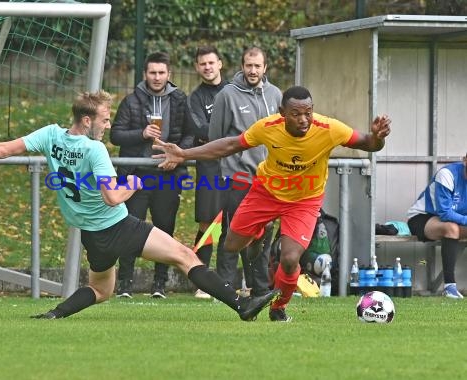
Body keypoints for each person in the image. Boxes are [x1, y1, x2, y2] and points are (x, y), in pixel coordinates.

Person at [0, 90, 278, 321]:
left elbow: (3, 149)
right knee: (187, 255)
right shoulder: (95, 151)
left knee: (100, 290)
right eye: (106, 119)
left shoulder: (50, 136)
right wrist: (135, 182)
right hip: (117, 226)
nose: (110, 124)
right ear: (88, 120)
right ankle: (241, 305)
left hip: (91, 235)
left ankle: (54, 315)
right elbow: (112, 197)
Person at [154, 85, 392, 322]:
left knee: (289, 260)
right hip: (265, 193)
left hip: (304, 201)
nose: (303, 120)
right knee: (232, 245)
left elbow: (369, 144)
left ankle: (278, 307)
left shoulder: (329, 128)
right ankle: (260, 232)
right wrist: (184, 154)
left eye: (308, 112)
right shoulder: (268, 127)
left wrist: (377, 138)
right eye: (296, 114)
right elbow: (229, 145)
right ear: (282, 113)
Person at [110, 52, 194, 299]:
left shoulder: (180, 99)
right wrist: (141, 133)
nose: (157, 77)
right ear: (145, 74)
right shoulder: (131, 100)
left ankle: (160, 284)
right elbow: (116, 135)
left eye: (161, 72)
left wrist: (177, 156)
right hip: (135, 176)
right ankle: (125, 284)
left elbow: (191, 134)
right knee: (129, 228)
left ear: (169, 74)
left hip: (167, 175)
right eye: (152, 72)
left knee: (165, 229)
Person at [209, 46, 282, 298]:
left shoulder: (275, 95)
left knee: (264, 237)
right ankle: (225, 288)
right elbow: (215, 138)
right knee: (233, 234)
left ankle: (260, 288)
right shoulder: (227, 95)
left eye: (257, 66)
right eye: (248, 66)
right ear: (242, 66)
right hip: (237, 179)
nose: (253, 71)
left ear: (265, 68)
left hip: (268, 181)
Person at [187, 46, 229, 299]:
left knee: (235, 222)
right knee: (209, 222)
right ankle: (201, 281)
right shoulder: (195, 98)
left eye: (211, 62)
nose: (207, 67)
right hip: (209, 166)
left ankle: (229, 279)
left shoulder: (233, 90)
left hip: (237, 164)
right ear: (197, 67)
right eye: (202, 63)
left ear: (220, 64)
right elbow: (201, 129)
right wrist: (228, 134)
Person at [407, 154, 467, 299]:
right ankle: (449, 287)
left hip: (457, 220)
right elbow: (445, 213)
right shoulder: (447, 174)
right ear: (465, 160)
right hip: (422, 217)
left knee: (453, 227)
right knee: (451, 228)